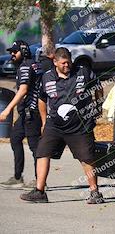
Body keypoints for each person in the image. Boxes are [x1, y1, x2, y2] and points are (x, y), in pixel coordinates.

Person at [20, 47, 104, 204]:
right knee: (42, 153)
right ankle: (39, 192)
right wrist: (45, 121)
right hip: (55, 125)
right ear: (55, 62)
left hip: (80, 125)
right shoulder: (46, 77)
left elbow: (98, 88)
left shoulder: (83, 72)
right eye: (64, 63)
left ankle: (95, 192)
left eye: (69, 62)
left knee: (87, 157)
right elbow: (42, 99)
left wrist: (98, 108)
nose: (67, 65)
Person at [0, 40, 42, 189]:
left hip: (32, 112)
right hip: (25, 113)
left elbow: (23, 90)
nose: (12, 54)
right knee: (15, 138)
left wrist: (7, 109)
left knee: (35, 147)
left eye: (14, 51)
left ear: (23, 52)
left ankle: (40, 181)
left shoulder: (25, 66)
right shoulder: (32, 65)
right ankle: (18, 177)